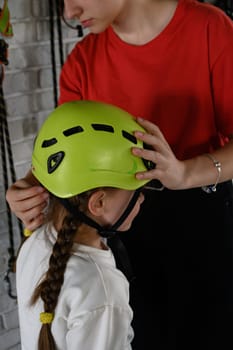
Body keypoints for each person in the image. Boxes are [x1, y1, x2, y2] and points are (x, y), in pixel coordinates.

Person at [7, 0, 233, 349]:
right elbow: (69, 151)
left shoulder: (211, 31)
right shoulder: (82, 62)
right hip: (116, 239)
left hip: (199, 236)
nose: (68, 12)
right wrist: (33, 187)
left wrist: (185, 172)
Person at [16, 100, 152, 350]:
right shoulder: (102, 289)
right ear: (98, 202)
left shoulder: (37, 239)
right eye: (137, 188)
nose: (142, 197)